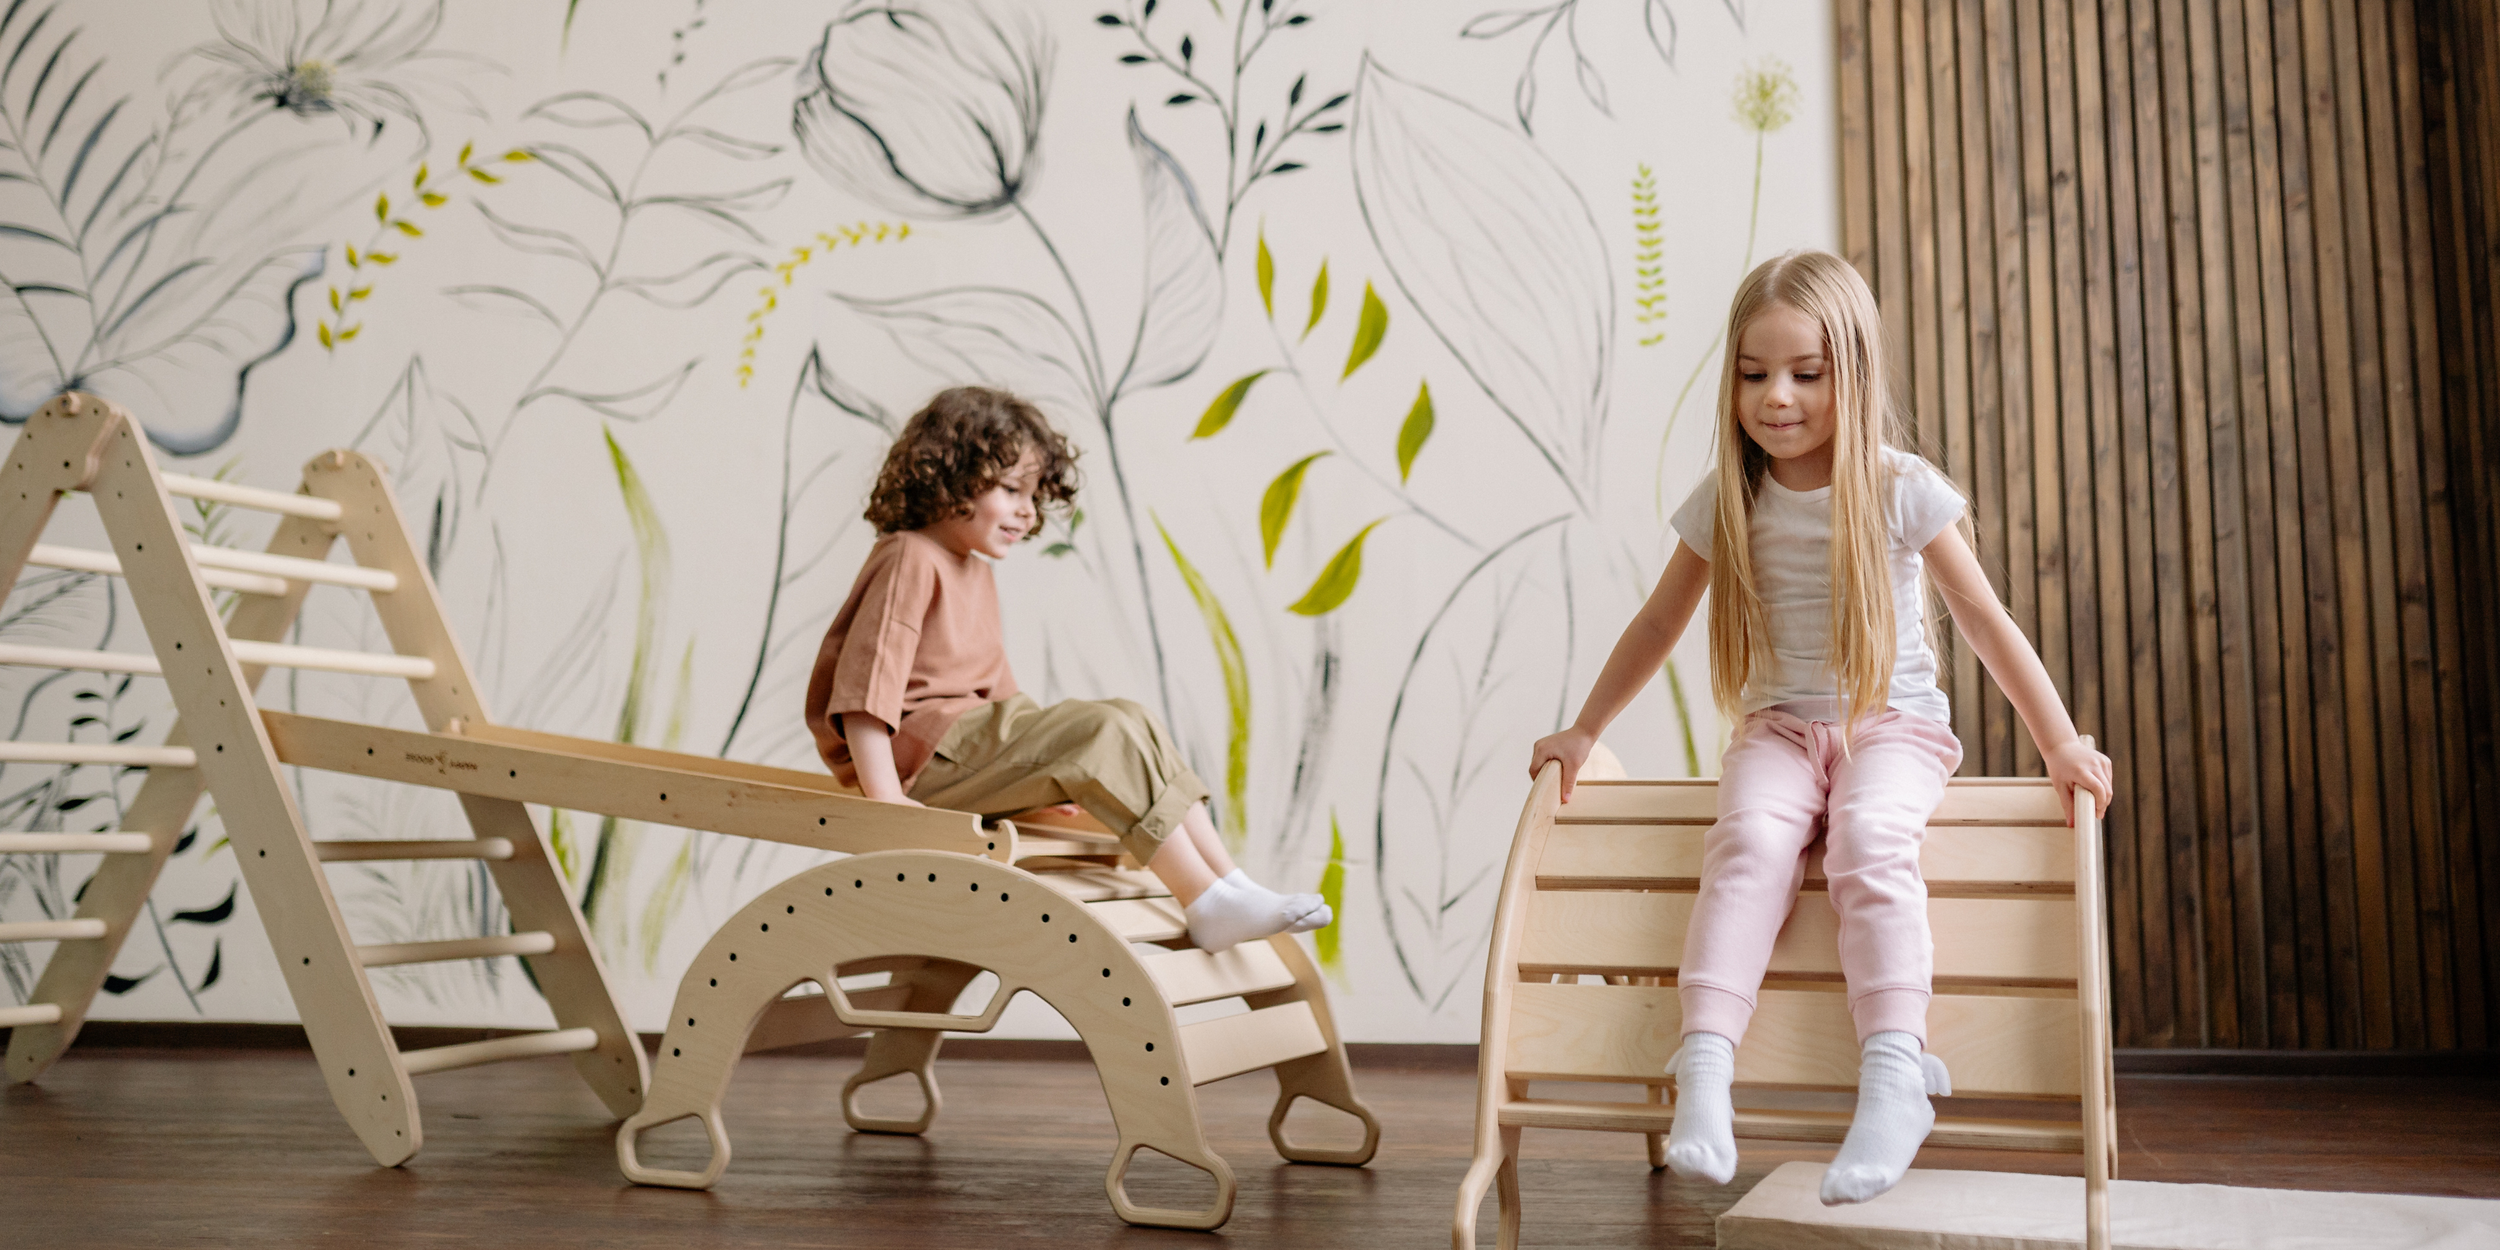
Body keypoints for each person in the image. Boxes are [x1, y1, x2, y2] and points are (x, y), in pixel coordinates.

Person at [1528, 250, 2114, 1205]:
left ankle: (1895, 1075)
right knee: (1749, 840)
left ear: (1853, 370)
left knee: (1871, 837)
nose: (1778, 397)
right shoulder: (1731, 498)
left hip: (1895, 728)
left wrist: (2060, 743)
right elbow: (1658, 621)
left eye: (1806, 373)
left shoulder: (1898, 487)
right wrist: (1584, 732)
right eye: (1755, 374)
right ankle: (1704, 1070)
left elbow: (1985, 620)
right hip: (1780, 732)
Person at [806, 385, 1329, 953]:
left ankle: (1231, 883)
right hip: (923, 765)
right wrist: (886, 801)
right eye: (1010, 490)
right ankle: (1204, 899)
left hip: (969, 750)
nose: (1028, 511)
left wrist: (1045, 772)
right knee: (1099, 731)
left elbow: (998, 699)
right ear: (949, 479)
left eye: (1031, 495)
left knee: (1130, 717)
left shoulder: (972, 572)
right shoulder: (909, 555)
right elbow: (866, 687)